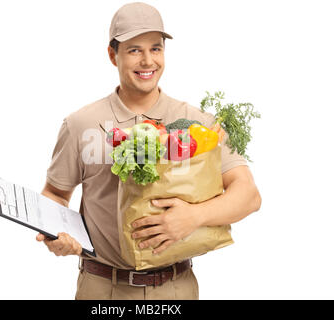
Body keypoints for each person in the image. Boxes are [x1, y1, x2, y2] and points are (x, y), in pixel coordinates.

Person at [36, 2, 261, 300]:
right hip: (101, 288)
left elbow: (249, 195)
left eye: (156, 49)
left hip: (175, 289)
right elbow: (55, 193)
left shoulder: (198, 124)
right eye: (134, 50)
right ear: (112, 55)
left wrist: (194, 216)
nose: (147, 61)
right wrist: (58, 235)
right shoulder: (81, 124)